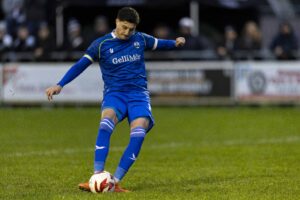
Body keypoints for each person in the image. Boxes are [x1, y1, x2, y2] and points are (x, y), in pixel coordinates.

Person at [45, 7, 185, 192]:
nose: (127, 32)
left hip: (138, 96)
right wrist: (60, 84)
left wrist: (175, 42)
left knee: (139, 134)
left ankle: (114, 182)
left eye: (131, 29)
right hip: (115, 94)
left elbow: (160, 43)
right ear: (117, 21)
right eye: (124, 27)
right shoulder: (101, 44)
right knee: (105, 124)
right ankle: (97, 176)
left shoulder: (140, 39)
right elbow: (80, 65)